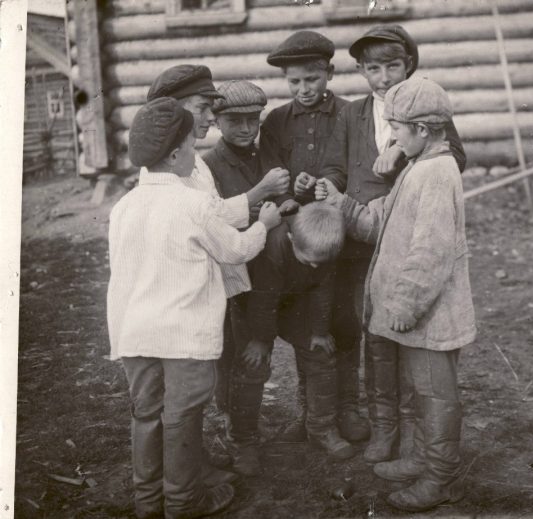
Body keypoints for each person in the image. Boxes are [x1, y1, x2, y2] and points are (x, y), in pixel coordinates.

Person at [297, 24, 467, 463]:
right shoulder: (351, 114)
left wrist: (398, 150)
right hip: (361, 238)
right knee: (369, 327)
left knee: (405, 330)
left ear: (409, 64)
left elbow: (454, 156)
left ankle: (407, 429)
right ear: (362, 71)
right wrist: (329, 190)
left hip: (408, 232)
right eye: (374, 69)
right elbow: (337, 167)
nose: (385, 76)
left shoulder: (425, 107)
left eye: (393, 66)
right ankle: (381, 426)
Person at [107, 97, 282, 519]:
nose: (194, 154)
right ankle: (184, 502)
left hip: (135, 334)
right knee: (182, 417)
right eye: (189, 146)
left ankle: (148, 501)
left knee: (146, 415)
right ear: (174, 154)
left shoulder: (123, 207)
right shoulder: (192, 203)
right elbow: (236, 250)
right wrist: (265, 224)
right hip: (182, 336)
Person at [315, 77, 476, 512]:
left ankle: (440, 478)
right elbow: (379, 226)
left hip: (430, 315)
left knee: (436, 395)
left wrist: (405, 303)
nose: (393, 136)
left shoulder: (438, 174)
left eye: (398, 128)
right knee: (421, 390)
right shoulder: (418, 167)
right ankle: (424, 459)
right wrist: (344, 205)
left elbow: (431, 250)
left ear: (422, 130)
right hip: (417, 316)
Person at [147, 65, 290, 476]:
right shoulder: (188, 161)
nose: (210, 118)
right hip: (203, 281)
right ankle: (189, 466)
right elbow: (207, 223)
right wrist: (262, 213)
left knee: (239, 360)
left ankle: (234, 439)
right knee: (206, 369)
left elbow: (213, 215)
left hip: (231, 279)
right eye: (205, 109)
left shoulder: (199, 162)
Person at [259, 31, 370, 443]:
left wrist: (326, 182)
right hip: (299, 246)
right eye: (294, 82)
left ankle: (348, 407)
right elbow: (271, 174)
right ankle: (311, 409)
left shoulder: (350, 114)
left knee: (344, 321)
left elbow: (350, 166)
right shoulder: (275, 121)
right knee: (307, 324)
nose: (304, 89)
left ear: (330, 72)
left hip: (342, 239)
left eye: (312, 79)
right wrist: (290, 193)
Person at [201, 80, 292, 476]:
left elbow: (284, 202)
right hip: (231, 274)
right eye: (233, 121)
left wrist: (291, 200)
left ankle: (240, 427)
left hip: (268, 269)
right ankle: (241, 437)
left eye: (252, 120)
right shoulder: (207, 165)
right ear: (217, 121)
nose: (244, 128)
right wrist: (263, 195)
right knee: (236, 357)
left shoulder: (267, 151)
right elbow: (216, 217)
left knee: (255, 354)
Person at [242, 202, 356, 460]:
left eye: (321, 263)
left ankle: (318, 426)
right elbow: (264, 299)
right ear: (292, 239)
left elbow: (323, 290)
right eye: (309, 261)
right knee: (253, 361)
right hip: (264, 301)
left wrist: (319, 330)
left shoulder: (322, 250)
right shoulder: (276, 247)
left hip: (299, 300)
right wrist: (261, 339)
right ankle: (244, 436)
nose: (315, 267)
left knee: (319, 355)